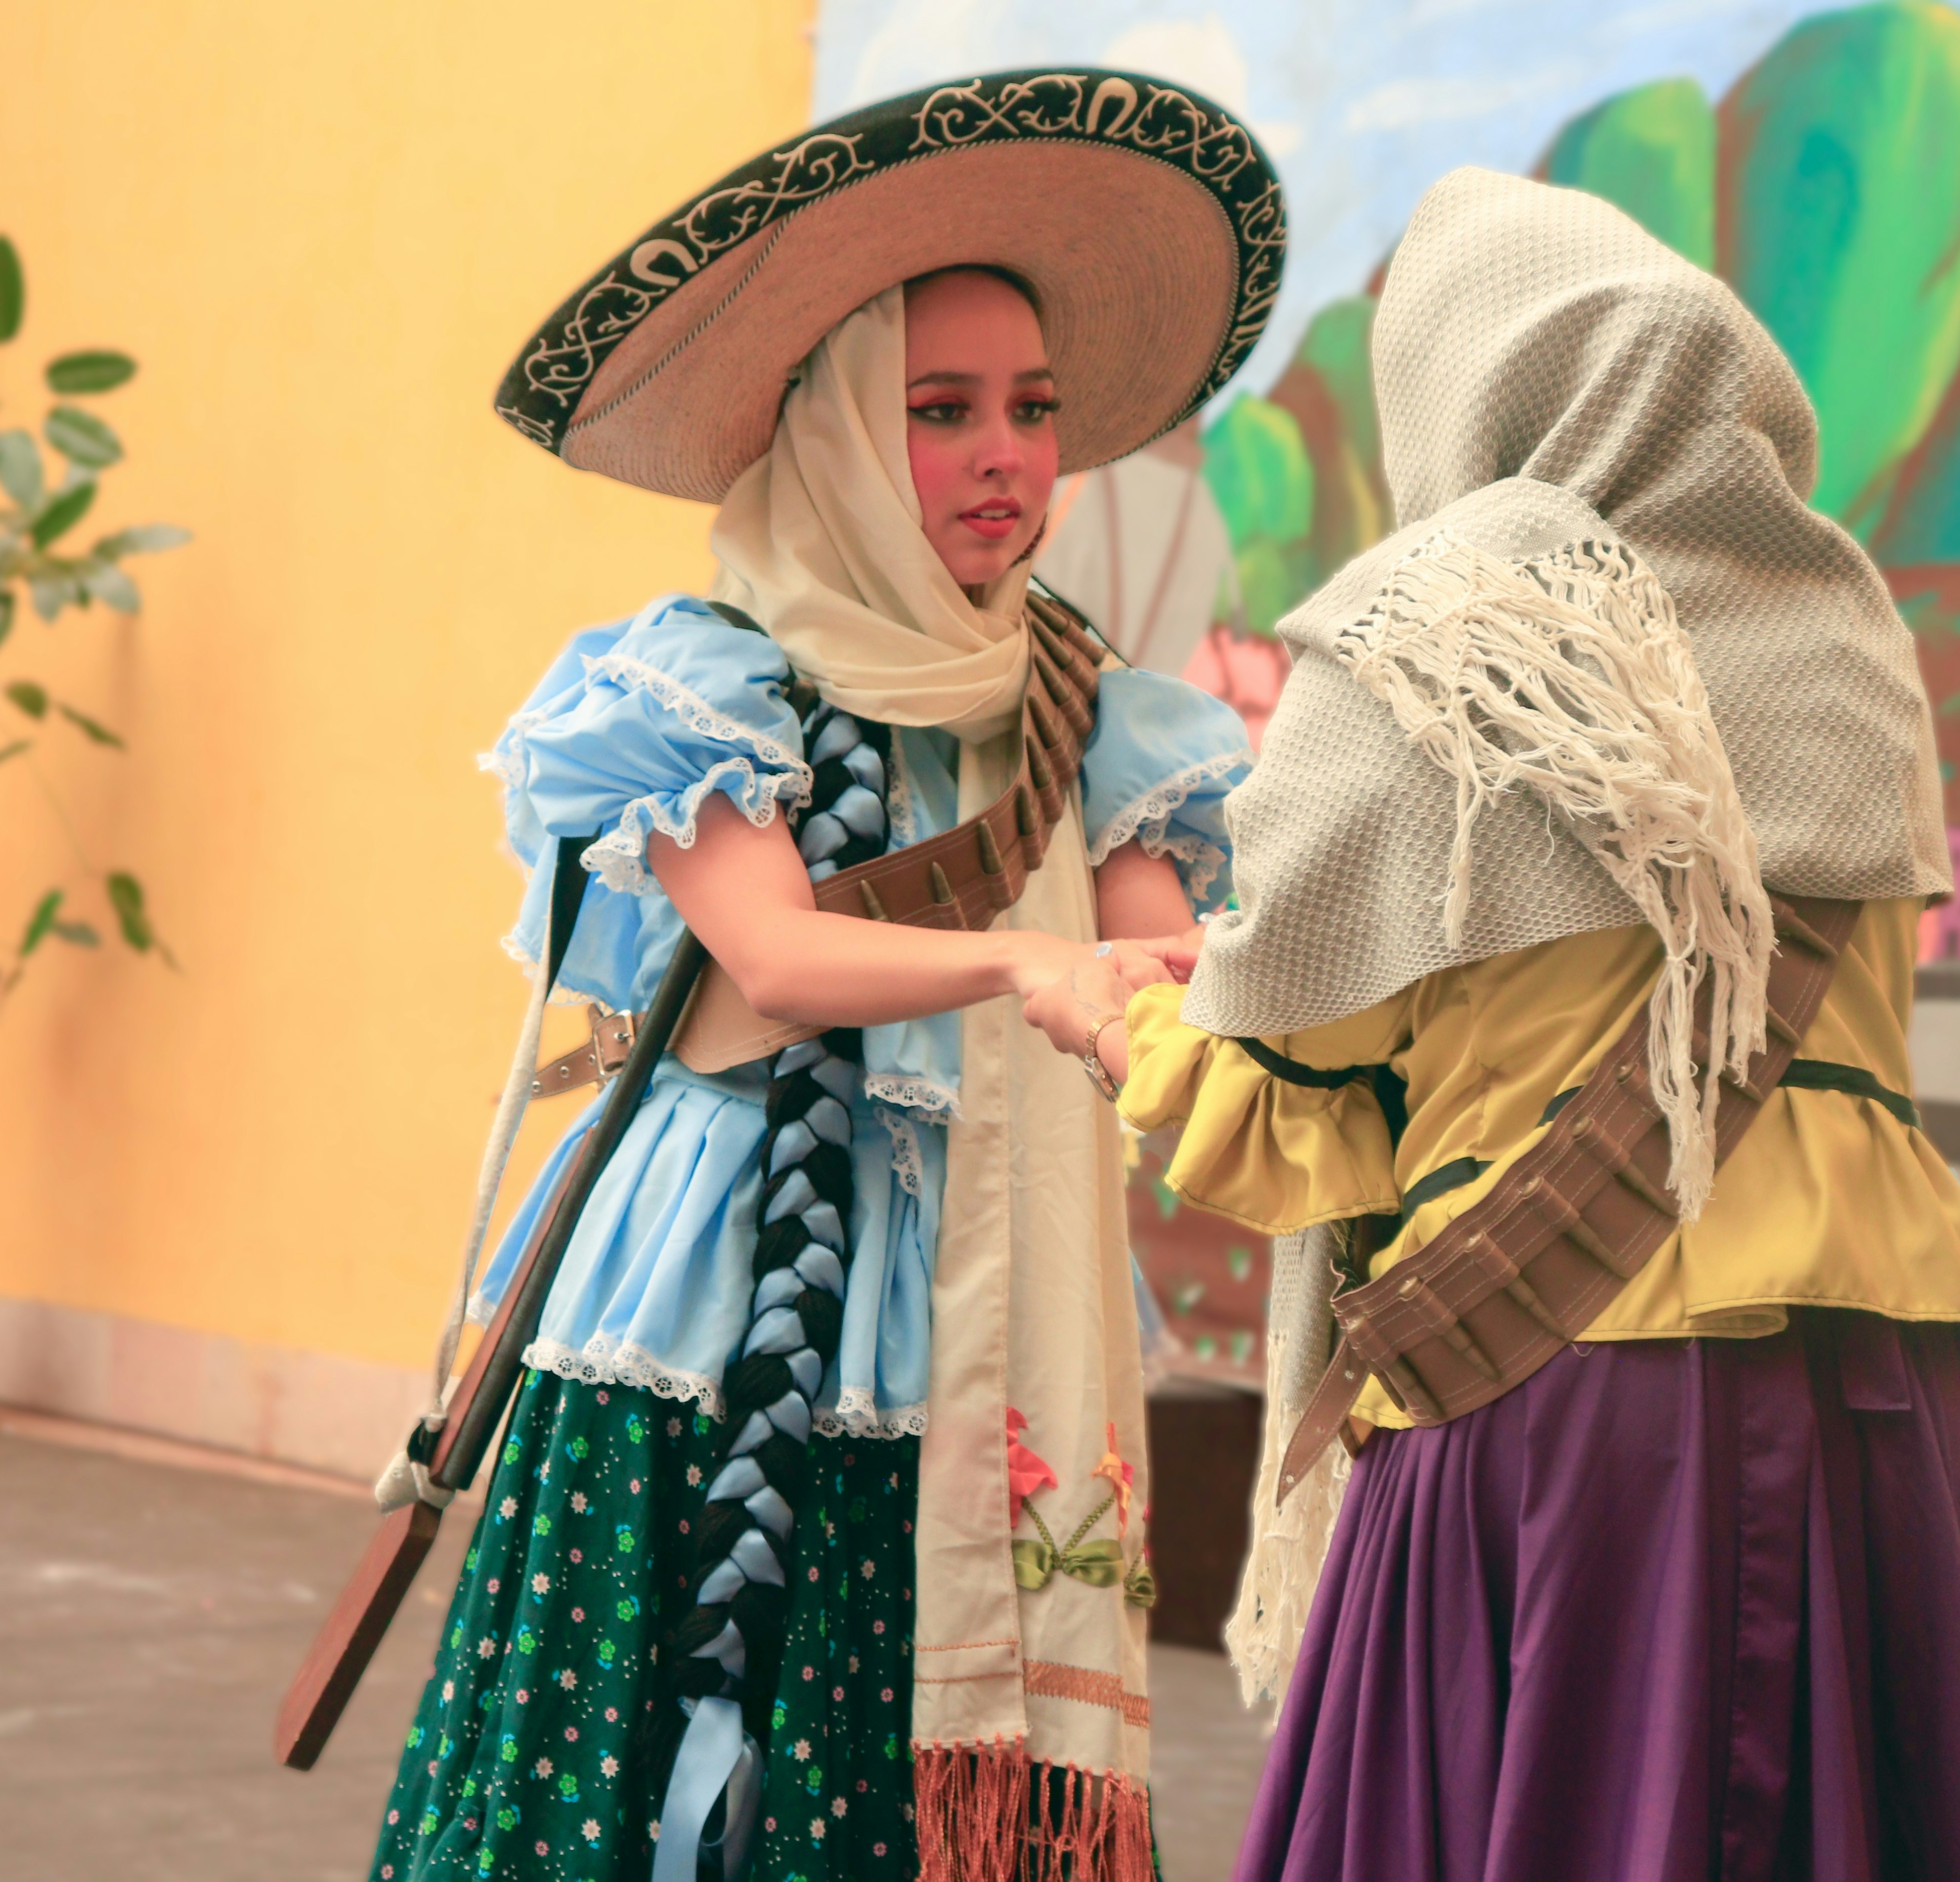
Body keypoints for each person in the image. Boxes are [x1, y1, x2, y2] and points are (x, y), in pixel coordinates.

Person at [1028, 169, 1960, 1879]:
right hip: (1891, 1389)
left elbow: (1282, 1117)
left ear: (1460, 387)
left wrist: (1103, 1012)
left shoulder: (1427, 642)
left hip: (1566, 1393)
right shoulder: (1842, 630)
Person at [368, 71, 1277, 1882]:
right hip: (722, 1309)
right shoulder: (700, 681)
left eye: (1031, 408)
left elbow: (1158, 956)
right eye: (941, 411)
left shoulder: (1099, 712)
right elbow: (775, 959)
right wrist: (1041, 957)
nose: (1007, 453)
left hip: (987, 1309)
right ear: (841, 432)